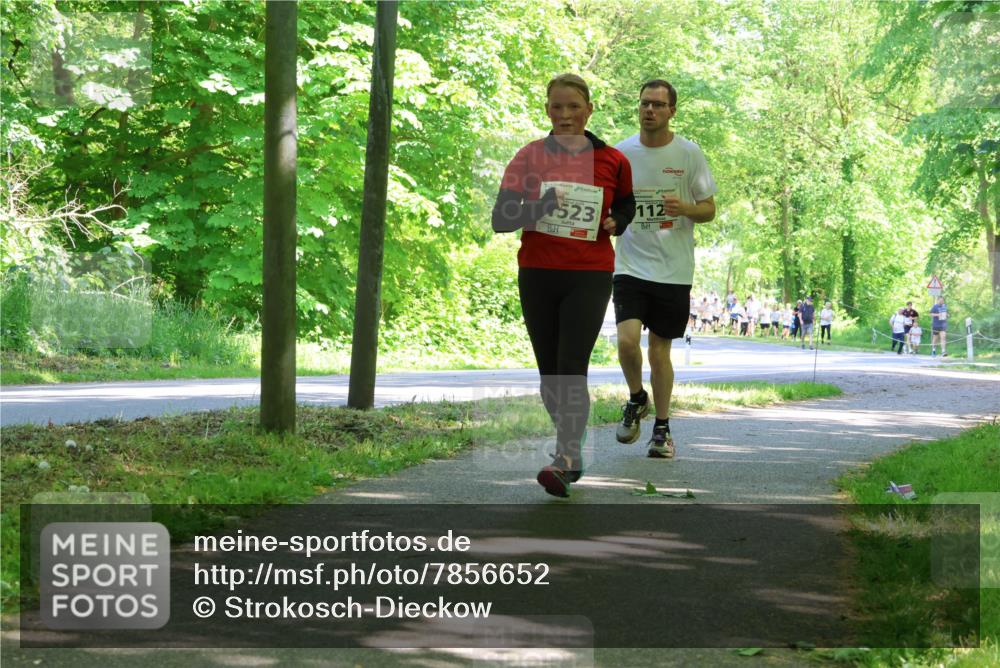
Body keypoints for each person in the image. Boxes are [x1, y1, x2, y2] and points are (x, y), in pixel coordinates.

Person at [492, 73, 635, 497]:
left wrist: (619, 220)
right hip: (538, 271)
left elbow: (625, 203)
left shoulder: (612, 159)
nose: (566, 114)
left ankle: (567, 456)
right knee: (550, 372)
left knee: (571, 365)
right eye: (557, 107)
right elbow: (502, 218)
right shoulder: (529, 156)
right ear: (547, 110)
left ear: (589, 109)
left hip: (589, 273)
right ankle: (568, 450)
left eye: (574, 106)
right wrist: (540, 206)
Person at [612, 78, 717, 459]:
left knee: (659, 352)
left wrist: (684, 208)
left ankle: (662, 428)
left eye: (658, 104)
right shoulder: (621, 153)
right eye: (644, 104)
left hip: (673, 270)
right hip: (629, 264)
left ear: (672, 110)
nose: (650, 110)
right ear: (638, 108)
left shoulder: (689, 154)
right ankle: (636, 397)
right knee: (625, 341)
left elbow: (709, 208)